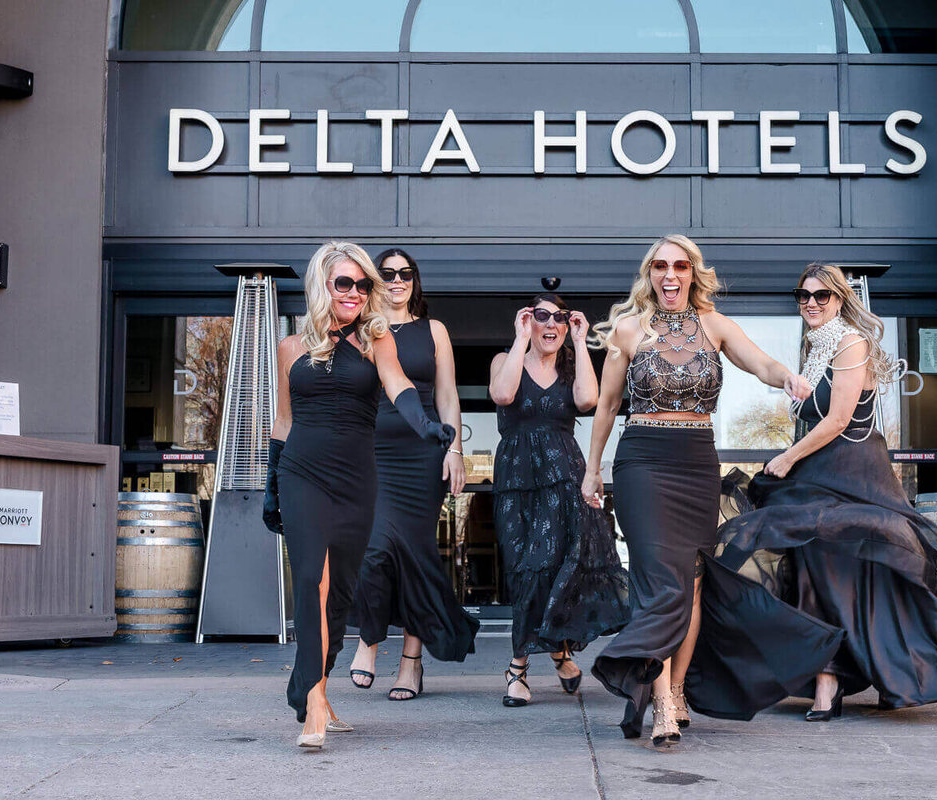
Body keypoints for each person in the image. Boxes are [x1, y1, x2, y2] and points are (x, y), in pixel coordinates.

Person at [685, 263, 937, 724]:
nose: (812, 304)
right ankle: (836, 674)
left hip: (853, 473)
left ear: (840, 300)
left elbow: (839, 419)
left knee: (859, 570)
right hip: (815, 474)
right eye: (804, 296)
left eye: (822, 296)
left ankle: (871, 675)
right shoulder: (814, 347)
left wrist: (786, 458)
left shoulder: (850, 343)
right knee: (813, 568)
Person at [581, 235, 812, 746]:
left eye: (679, 266)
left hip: (696, 461)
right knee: (657, 580)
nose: (669, 274)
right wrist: (593, 468)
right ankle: (660, 702)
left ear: (692, 273)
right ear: (649, 274)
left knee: (690, 584)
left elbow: (760, 364)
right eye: (660, 266)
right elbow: (607, 405)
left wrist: (787, 379)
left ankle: (678, 687)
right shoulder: (627, 330)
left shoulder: (715, 325)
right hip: (642, 460)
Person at [262, 241, 453, 749]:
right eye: (344, 282)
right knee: (310, 581)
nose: (354, 292)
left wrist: (427, 425)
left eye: (362, 284)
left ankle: (314, 682)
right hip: (302, 471)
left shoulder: (376, 338)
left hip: (357, 476)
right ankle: (315, 706)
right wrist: (270, 484)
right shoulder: (290, 347)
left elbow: (398, 386)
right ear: (322, 285)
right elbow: (283, 421)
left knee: (340, 593)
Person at [348, 248, 480, 701]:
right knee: (375, 550)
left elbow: (446, 394)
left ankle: (411, 663)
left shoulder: (434, 330)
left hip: (423, 453)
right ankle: (368, 639)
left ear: (414, 281)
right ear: (375, 280)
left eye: (406, 273)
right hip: (372, 452)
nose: (398, 280)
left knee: (416, 555)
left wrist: (456, 449)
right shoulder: (360, 329)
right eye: (388, 274)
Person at [490, 293, 630, 707]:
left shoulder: (572, 367)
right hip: (516, 479)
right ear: (528, 321)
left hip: (563, 476)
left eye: (560, 319)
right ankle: (559, 655)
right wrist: (520, 340)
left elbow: (589, 401)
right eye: (541, 316)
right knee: (525, 570)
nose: (551, 324)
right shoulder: (505, 359)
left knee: (556, 567)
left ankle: (518, 668)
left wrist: (582, 342)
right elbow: (501, 394)